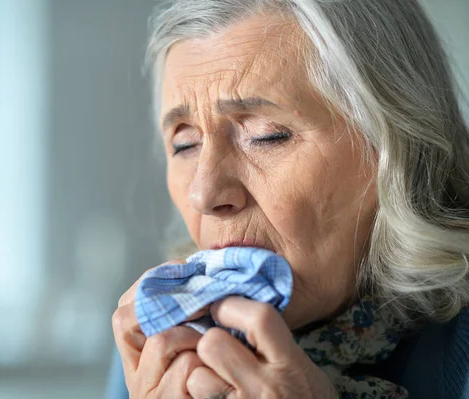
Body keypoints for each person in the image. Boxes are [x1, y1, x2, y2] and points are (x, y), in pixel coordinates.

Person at [111, 0, 469, 397]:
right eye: (185, 144)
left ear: (396, 147)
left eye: (266, 135)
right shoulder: (162, 345)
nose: (204, 193)